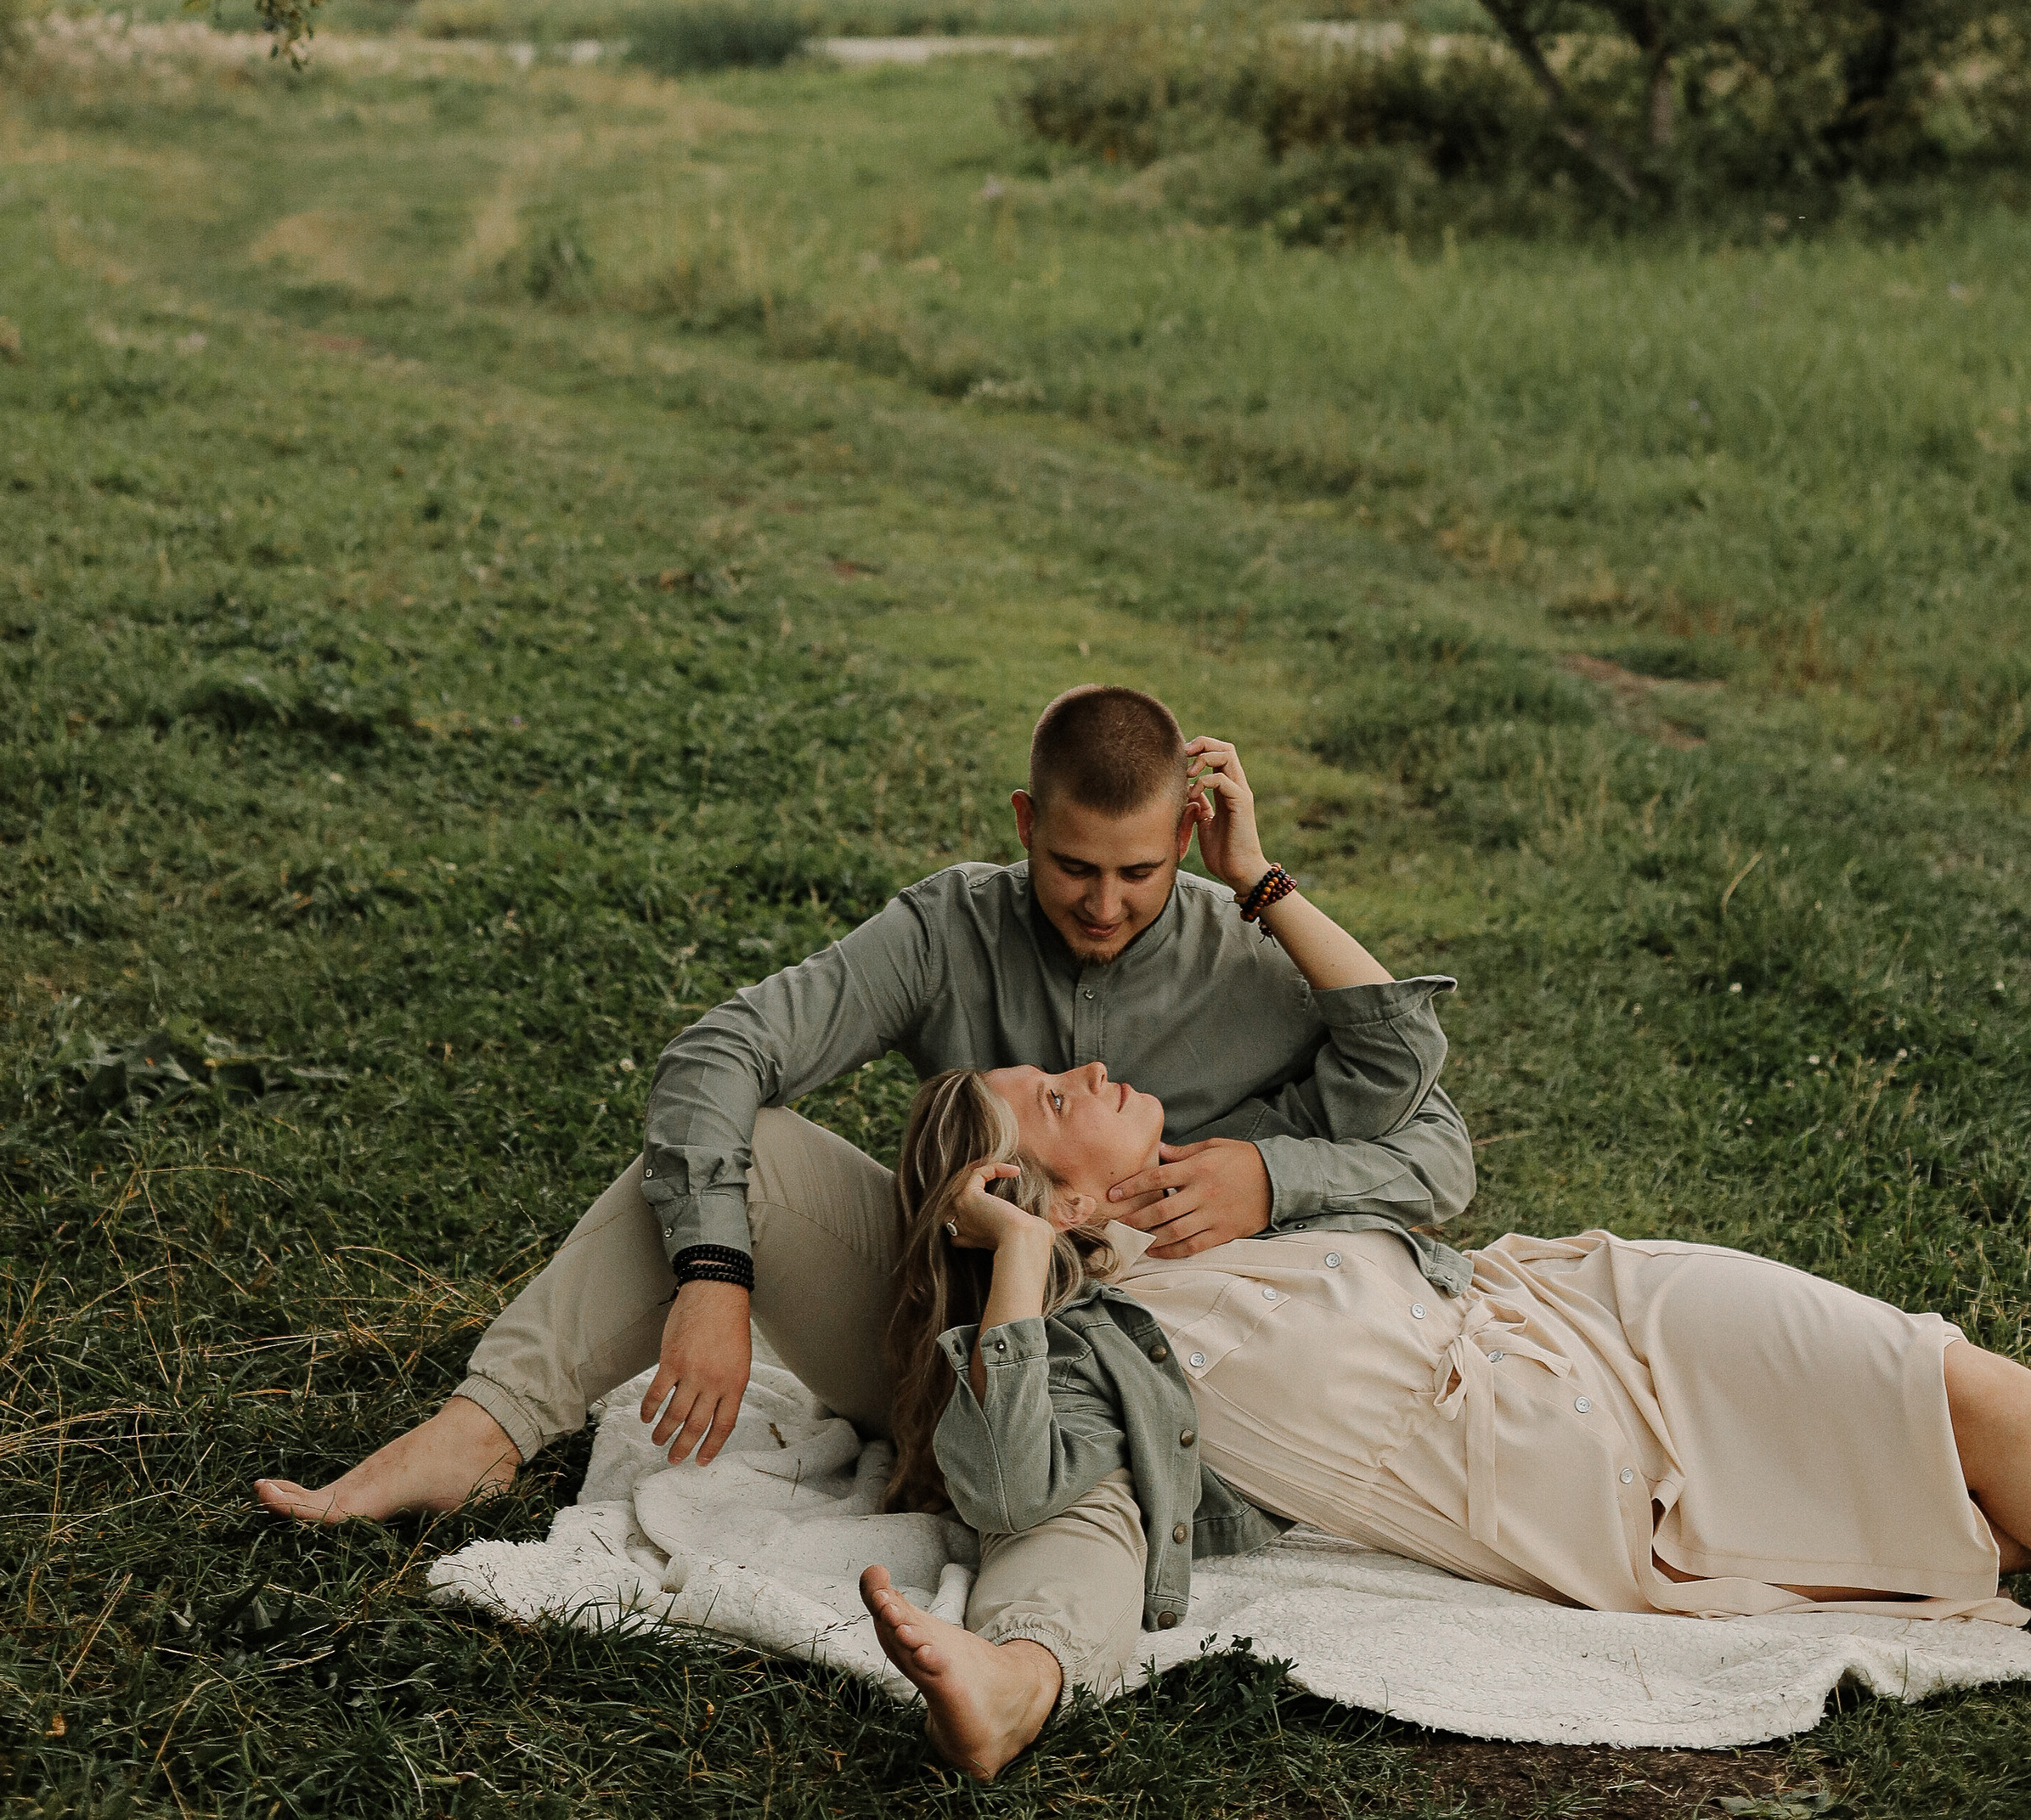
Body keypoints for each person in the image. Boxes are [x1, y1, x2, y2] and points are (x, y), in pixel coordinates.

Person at [256, 685, 1475, 1772]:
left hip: (1128, 1387)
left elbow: (1436, 1144)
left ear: (1185, 847)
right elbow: (722, 1054)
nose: (1105, 904)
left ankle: (1015, 1670)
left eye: (1141, 873)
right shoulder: (951, 928)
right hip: (940, 1345)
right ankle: (482, 1429)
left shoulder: (1241, 956)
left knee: (1079, 1461)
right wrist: (716, 1275)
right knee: (745, 1156)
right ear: (1023, 825)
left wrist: (1269, 1175)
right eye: (1072, 867)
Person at [857, 742, 2031, 1778]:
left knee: (1942, 1382)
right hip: (1584, 1475)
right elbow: (1016, 1490)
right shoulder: (1100, 1351)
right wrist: (1015, 1261)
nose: (1093, 1063)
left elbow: (1402, 1054)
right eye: (1059, 1094)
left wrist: (1258, 880)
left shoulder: (1235, 1156)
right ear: (1037, 1196)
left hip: (1604, 1312)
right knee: (1970, 1506)